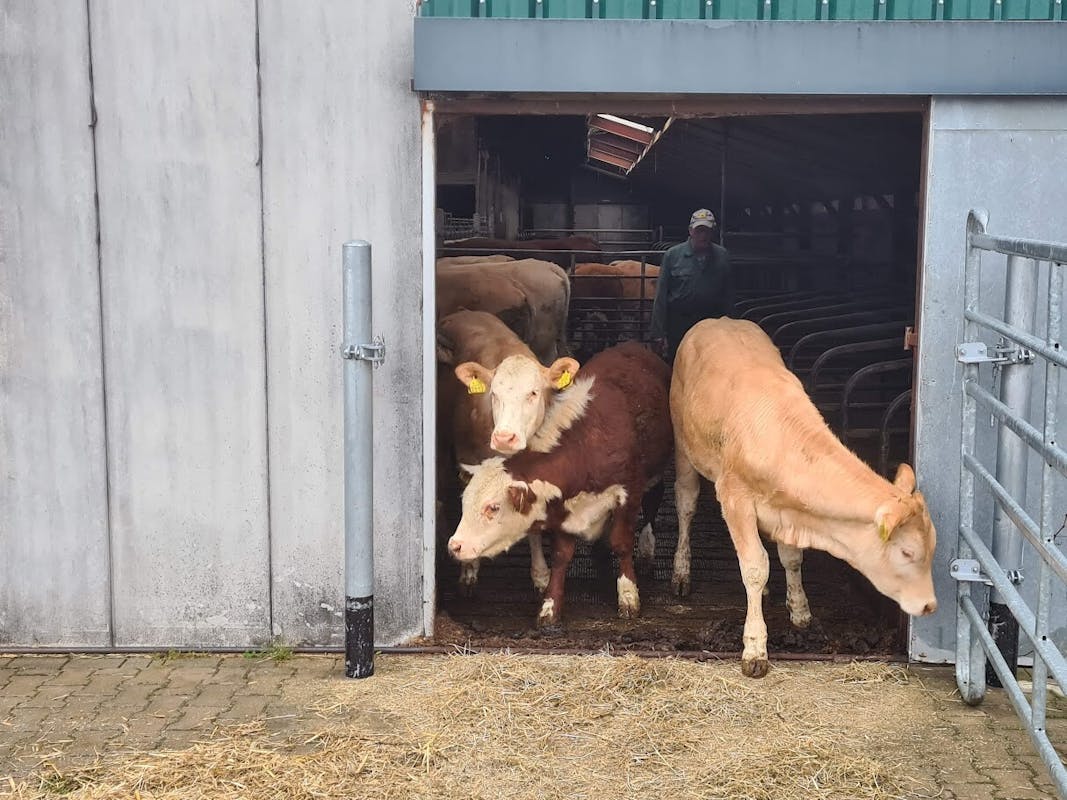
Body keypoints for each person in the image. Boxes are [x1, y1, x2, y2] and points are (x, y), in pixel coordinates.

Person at [650, 208, 735, 361]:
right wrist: (658, 333)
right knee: (679, 362)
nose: (703, 235)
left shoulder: (722, 256)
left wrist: (730, 326)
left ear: (713, 232)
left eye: (707, 231)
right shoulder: (673, 256)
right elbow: (661, 296)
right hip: (679, 325)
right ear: (690, 231)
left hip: (711, 324)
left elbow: (728, 295)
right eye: (699, 231)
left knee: (709, 363)